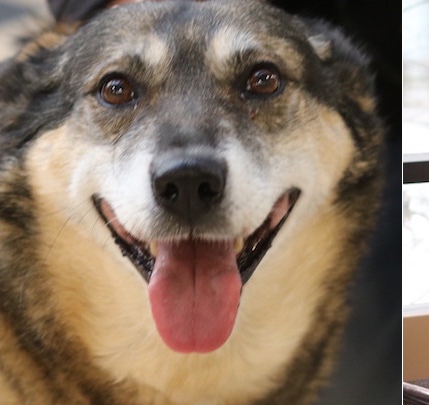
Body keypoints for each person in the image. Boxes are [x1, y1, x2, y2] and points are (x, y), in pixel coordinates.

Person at [46, 1, 401, 404]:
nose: (188, 178)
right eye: (118, 90)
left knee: (360, 383)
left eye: (261, 83)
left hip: (386, 74)